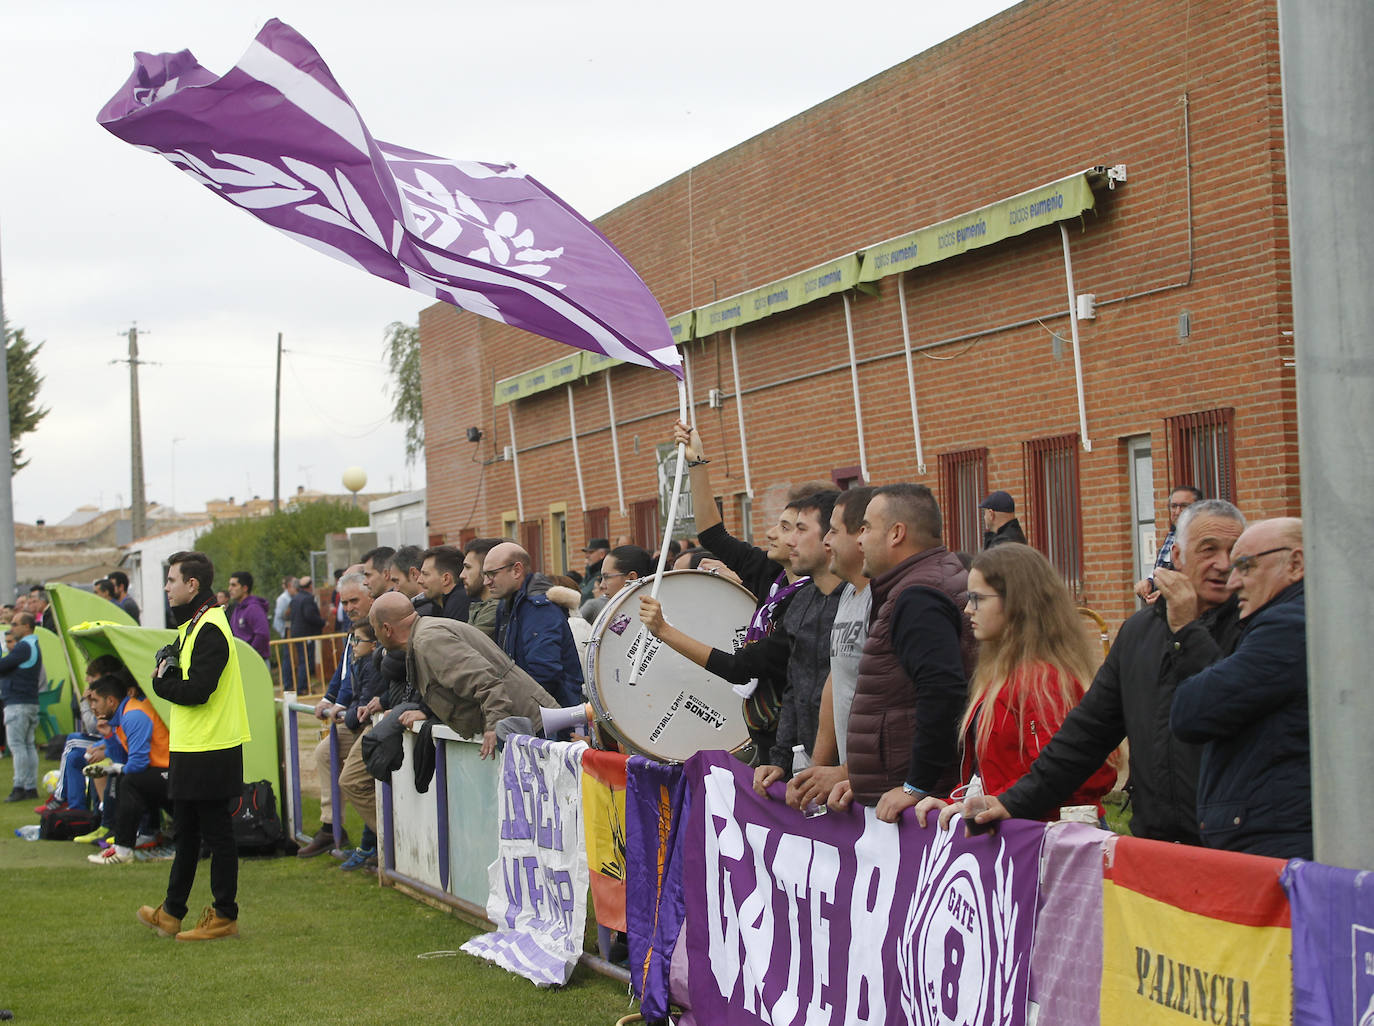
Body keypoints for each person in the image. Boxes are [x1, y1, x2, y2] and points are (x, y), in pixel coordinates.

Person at [962, 499, 1248, 842]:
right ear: (1177, 556)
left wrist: (1187, 631)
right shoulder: (1139, 633)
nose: (1224, 563)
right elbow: (1088, 734)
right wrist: (1013, 802)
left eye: (1236, 551)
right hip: (1154, 844)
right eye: (1209, 549)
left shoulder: (1256, 629)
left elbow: (1226, 707)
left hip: (1230, 846)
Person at [912, 544, 1118, 831]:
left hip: (1050, 840)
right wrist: (955, 802)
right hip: (1023, 833)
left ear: (1017, 603)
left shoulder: (1043, 681)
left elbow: (1071, 775)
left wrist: (998, 802)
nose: (967, 609)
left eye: (977, 598)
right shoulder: (1005, 674)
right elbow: (997, 773)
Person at [1170, 518, 1310, 859]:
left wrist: (1187, 632)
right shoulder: (1305, 617)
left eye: (1244, 566)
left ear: (1295, 563)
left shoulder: (1287, 625)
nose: (1232, 582)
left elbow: (1193, 711)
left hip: (1278, 844)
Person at [829, 484, 973, 812]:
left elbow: (942, 691)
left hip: (919, 804)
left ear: (896, 533)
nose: (860, 539)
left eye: (866, 527)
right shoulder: (920, 583)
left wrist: (915, 785)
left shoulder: (918, 595)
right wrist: (866, 780)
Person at [138, 550, 251, 942]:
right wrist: (169, 663)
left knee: (217, 833)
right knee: (185, 831)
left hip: (212, 748)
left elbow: (198, 690)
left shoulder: (212, 627)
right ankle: (171, 912)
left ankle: (225, 916)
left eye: (172, 581)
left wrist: (159, 683)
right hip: (193, 746)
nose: (166, 588)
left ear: (193, 585)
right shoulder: (193, 625)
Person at [371, 591, 559, 759]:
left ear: (387, 629)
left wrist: (495, 726)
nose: (375, 636)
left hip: (532, 728)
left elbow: (485, 681)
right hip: (525, 725)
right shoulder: (426, 634)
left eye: (375, 629)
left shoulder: (428, 641)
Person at [786, 487, 873, 814]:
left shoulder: (885, 599)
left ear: (862, 536)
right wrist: (816, 768)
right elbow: (837, 681)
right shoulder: (850, 593)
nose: (827, 542)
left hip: (875, 783)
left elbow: (896, 702)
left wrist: (853, 771)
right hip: (848, 781)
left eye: (834, 532)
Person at [296, 570, 372, 857]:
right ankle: (332, 827)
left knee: (353, 776)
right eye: (344, 603)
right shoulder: (354, 632)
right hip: (358, 715)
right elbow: (344, 673)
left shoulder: (377, 627)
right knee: (325, 752)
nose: (349, 607)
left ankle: (379, 843)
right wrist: (330, 699)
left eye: (354, 600)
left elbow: (371, 681)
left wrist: (344, 707)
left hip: (373, 718)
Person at [85, 674, 172, 866]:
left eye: (95, 700)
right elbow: (123, 758)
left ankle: (123, 849)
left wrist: (114, 769)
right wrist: (108, 736)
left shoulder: (133, 715)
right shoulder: (121, 717)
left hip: (174, 771)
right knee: (132, 779)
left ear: (111, 700)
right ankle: (147, 834)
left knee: (131, 782)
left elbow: (138, 763)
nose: (92, 706)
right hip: (164, 772)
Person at [485, 542, 583, 708]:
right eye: (484, 575)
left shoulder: (539, 609)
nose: (486, 582)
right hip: (531, 713)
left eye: (492, 574)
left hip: (551, 719)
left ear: (516, 570)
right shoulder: (508, 605)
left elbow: (544, 674)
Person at [1135, 485, 1203, 602]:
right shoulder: (1172, 536)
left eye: (1184, 506)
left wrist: (1164, 594)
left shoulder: (1204, 539)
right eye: (1173, 506)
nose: (1177, 511)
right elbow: (1161, 568)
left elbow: (1200, 579)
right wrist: (1149, 582)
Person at [1, 611, 43, 801]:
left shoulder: (24, 646)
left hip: (17, 703)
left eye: (15, 624)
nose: (12, 628)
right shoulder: (33, 645)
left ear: (27, 626)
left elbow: (3, 666)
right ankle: (30, 787)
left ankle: (19, 787)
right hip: (30, 701)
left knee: (18, 746)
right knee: (27, 745)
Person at [287, 576, 325, 692]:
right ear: (310, 586)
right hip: (306, 634)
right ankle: (303, 687)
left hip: (296, 633)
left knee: (302, 660)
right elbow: (310, 616)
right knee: (306, 661)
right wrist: (322, 622)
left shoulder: (295, 598)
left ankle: (303, 686)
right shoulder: (307, 599)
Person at [461, 538, 502, 638]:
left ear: (487, 570)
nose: (462, 575)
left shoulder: (496, 609)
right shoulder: (484, 607)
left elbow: (467, 645)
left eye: (468, 567)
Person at [227, 570, 271, 663]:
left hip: (256, 662)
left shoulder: (254, 608)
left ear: (245, 588)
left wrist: (250, 655)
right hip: (242, 661)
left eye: (234, 585)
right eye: (230, 585)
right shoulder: (237, 608)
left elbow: (262, 634)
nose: (229, 589)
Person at [419, 545, 471, 621]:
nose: (419, 580)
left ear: (446, 579)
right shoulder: (439, 605)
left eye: (425, 574)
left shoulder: (460, 603)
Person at [579, 539, 610, 604]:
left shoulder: (606, 573)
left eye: (591, 552)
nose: (587, 556)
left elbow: (586, 595)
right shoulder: (590, 572)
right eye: (586, 553)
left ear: (602, 554)